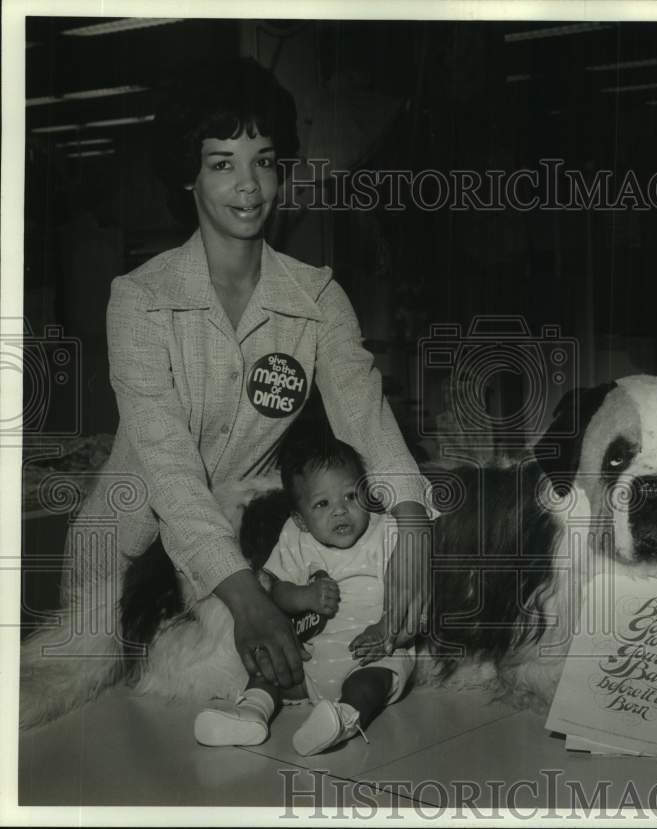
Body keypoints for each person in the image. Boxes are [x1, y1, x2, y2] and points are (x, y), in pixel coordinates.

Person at [20, 57, 431, 727]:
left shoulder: (316, 296)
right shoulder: (141, 300)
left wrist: (412, 522)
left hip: (252, 549)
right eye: (221, 163)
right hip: (129, 560)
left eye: (263, 161)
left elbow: (366, 415)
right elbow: (168, 466)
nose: (248, 186)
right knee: (96, 743)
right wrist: (244, 596)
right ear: (188, 173)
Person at [195, 420, 414, 755]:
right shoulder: (295, 538)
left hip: (373, 654)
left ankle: (344, 717)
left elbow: (408, 590)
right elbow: (278, 593)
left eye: (350, 495)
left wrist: (387, 629)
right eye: (322, 504)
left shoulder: (386, 533)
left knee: (370, 684)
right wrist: (304, 596)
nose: (340, 509)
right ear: (299, 519)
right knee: (273, 668)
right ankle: (252, 711)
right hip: (313, 659)